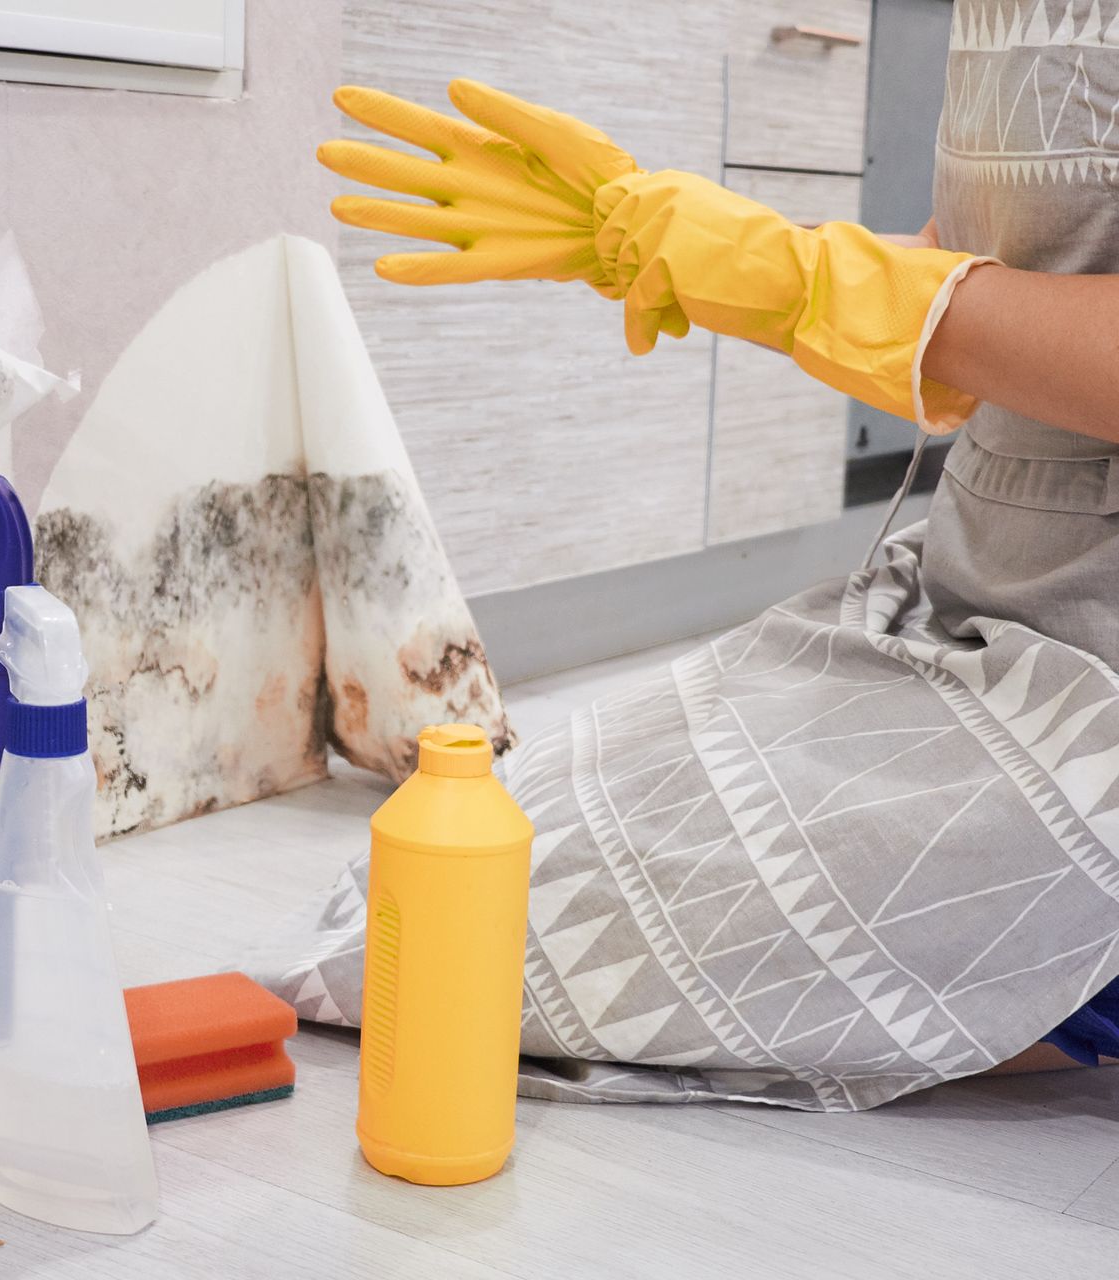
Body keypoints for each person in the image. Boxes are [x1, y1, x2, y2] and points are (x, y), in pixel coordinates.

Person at [254, 2, 1119, 1109]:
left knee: (483, 960)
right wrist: (681, 244)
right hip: (975, 593)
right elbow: (1006, 274)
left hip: (1098, 656)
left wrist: (800, 278)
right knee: (453, 899)